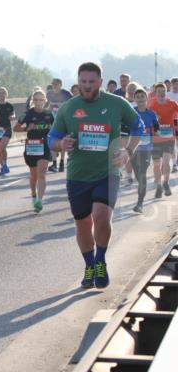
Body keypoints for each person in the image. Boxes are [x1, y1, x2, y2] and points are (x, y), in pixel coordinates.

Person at [48, 62, 143, 289]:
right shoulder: (68, 108)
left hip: (108, 172)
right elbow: (52, 138)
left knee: (101, 216)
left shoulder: (116, 104)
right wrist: (62, 143)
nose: (87, 86)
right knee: (82, 224)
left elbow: (138, 126)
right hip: (78, 175)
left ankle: (100, 260)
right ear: (78, 82)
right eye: (83, 82)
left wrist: (128, 151)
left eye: (91, 82)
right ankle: (89, 264)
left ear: (100, 81)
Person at [15, 89, 54, 212]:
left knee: (42, 173)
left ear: (45, 101)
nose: (38, 102)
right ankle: (33, 194)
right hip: (32, 146)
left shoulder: (49, 114)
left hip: (45, 146)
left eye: (41, 100)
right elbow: (16, 128)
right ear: (33, 101)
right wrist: (27, 129)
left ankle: (40, 200)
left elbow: (55, 129)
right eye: (36, 100)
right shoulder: (28, 114)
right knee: (33, 175)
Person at [130, 86, 159, 213]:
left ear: (146, 98)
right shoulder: (131, 112)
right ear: (134, 99)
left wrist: (157, 130)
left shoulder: (151, 113)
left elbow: (157, 128)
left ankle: (140, 203)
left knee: (142, 174)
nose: (140, 99)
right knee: (137, 173)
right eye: (138, 97)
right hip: (133, 147)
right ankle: (141, 192)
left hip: (147, 148)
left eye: (143, 96)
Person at [149, 82, 178, 197]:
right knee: (157, 164)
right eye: (159, 91)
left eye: (163, 91)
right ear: (155, 93)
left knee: (166, 162)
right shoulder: (151, 105)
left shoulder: (173, 104)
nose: (161, 93)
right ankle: (159, 185)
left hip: (169, 137)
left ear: (166, 92)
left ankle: (165, 182)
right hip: (156, 138)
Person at [47, 79, 72, 173]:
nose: (54, 86)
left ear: (60, 85)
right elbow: (47, 106)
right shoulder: (49, 94)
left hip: (64, 121)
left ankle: (61, 162)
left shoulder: (66, 94)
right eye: (52, 84)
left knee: (62, 142)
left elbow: (72, 105)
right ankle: (54, 163)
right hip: (53, 121)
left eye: (56, 84)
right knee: (53, 141)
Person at [0, 86, 15, 176]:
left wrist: (12, 117)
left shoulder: (9, 105)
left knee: (2, 147)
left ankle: (5, 163)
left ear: (6, 94)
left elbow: (13, 114)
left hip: (6, 129)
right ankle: (3, 166)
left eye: (3, 93)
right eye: (0, 93)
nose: (1, 94)